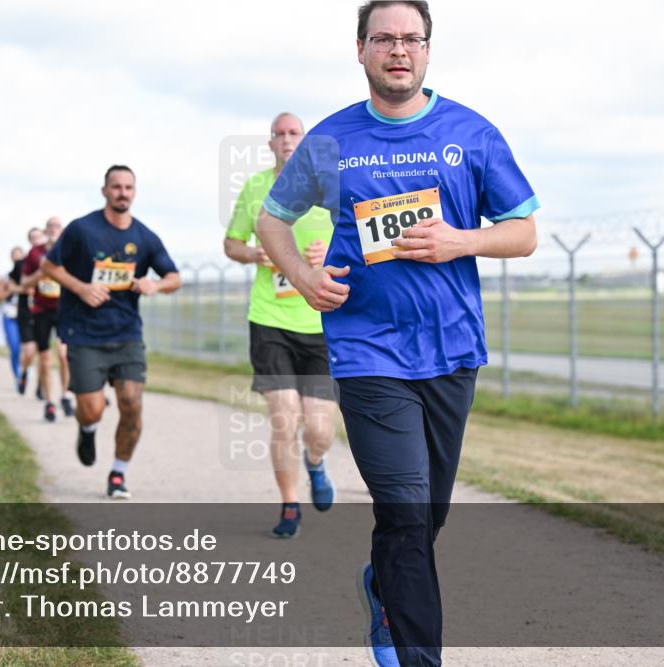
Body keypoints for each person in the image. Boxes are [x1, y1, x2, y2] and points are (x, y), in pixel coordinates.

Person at [256, 2, 540, 664]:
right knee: (407, 511)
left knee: (426, 515)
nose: (399, 49)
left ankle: (382, 587)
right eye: (383, 38)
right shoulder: (329, 140)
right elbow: (273, 220)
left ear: (428, 50)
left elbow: (524, 231)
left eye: (412, 38)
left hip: (451, 349)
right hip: (367, 350)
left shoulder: (471, 133)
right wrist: (301, 275)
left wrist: (460, 240)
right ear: (360, 49)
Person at [224, 112, 338, 538]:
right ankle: (290, 505)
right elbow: (232, 243)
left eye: (294, 133)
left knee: (320, 429)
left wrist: (328, 253)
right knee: (284, 418)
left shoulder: (328, 185)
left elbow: (357, 237)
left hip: (319, 320)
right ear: (271, 143)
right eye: (280, 134)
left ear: (304, 141)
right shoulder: (256, 187)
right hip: (269, 318)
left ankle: (316, 462)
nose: (287, 140)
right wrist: (255, 253)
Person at [40, 165, 180, 499]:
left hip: (127, 333)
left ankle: (118, 474)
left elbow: (174, 278)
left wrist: (155, 285)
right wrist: (81, 288)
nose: (122, 193)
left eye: (128, 187)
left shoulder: (144, 237)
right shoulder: (82, 230)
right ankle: (87, 428)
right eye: (116, 187)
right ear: (105, 191)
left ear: (135, 192)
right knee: (92, 409)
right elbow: (49, 266)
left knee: (131, 403)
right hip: (84, 332)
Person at [20, 218, 72, 422]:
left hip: (63, 309)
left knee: (64, 354)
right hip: (41, 310)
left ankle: (65, 395)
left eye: (57, 226)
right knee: (45, 359)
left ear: (62, 230)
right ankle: (49, 402)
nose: (53, 230)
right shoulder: (35, 253)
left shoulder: (69, 250)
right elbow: (24, 282)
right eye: (50, 226)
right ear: (45, 230)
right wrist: (41, 274)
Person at [14, 227, 45, 396]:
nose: (36, 240)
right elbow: (11, 286)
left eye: (38, 237)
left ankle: (41, 386)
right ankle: (24, 372)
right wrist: (25, 288)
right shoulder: (21, 264)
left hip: (44, 311)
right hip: (26, 311)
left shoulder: (50, 261)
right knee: (29, 351)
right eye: (32, 238)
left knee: (44, 353)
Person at [0, 246, 26, 387]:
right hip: (10, 315)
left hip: (26, 314)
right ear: (11, 258)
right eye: (15, 255)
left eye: (20, 255)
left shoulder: (30, 276)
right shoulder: (6, 278)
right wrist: (10, 290)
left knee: (27, 348)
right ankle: (18, 378)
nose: (17, 258)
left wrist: (19, 288)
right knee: (15, 347)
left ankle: (25, 371)